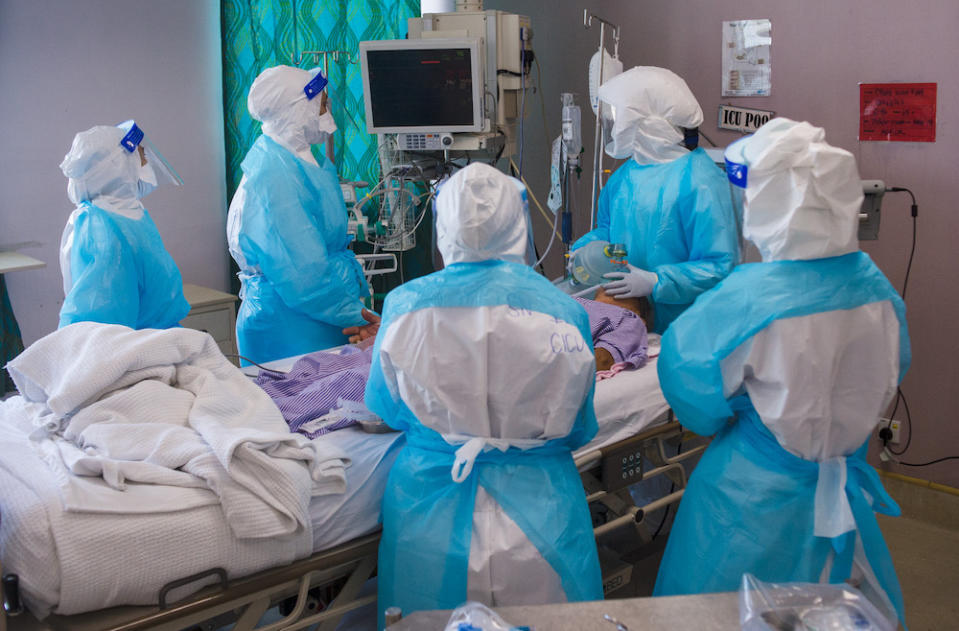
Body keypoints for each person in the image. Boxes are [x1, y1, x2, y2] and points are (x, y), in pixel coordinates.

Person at [653, 118, 909, 626]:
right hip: (840, 489)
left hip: (751, 498)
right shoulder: (879, 292)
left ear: (769, 205)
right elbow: (890, 372)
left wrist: (737, 415)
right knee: (833, 610)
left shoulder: (751, 298)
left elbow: (688, 379)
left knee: (726, 612)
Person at [365, 163, 603, 623]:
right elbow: (578, 426)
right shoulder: (564, 312)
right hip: (540, 511)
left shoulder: (403, 308)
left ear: (443, 226)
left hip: (431, 508)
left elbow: (389, 408)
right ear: (518, 223)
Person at [571, 66, 740, 334]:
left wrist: (656, 281)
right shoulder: (625, 175)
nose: (614, 126)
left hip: (687, 327)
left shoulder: (701, 182)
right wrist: (584, 251)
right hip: (627, 319)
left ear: (648, 122)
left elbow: (719, 265)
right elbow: (608, 230)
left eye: (620, 117)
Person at [227, 65, 374, 363]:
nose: (326, 112)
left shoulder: (293, 160)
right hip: (290, 324)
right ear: (298, 108)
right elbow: (303, 273)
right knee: (297, 405)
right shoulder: (275, 174)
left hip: (316, 313)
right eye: (321, 104)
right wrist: (358, 314)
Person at [59, 122, 189, 329]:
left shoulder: (131, 214)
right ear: (118, 167)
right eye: (139, 156)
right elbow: (101, 322)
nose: (145, 160)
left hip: (154, 340)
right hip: (127, 351)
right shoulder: (99, 226)